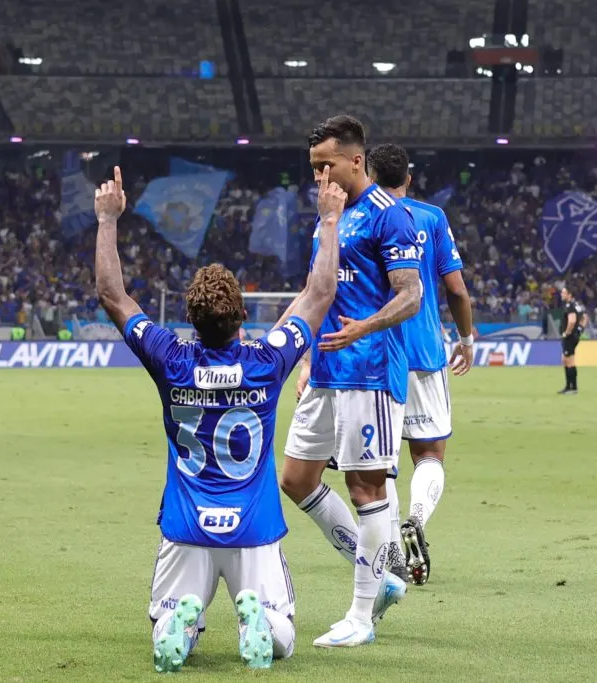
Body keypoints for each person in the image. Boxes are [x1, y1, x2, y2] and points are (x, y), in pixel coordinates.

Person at [94, 165, 344, 672]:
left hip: (186, 526)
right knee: (284, 636)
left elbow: (113, 297)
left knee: (164, 627)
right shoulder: (265, 362)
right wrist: (330, 220)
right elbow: (319, 295)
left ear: (191, 318)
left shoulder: (171, 358)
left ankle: (180, 628)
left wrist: (106, 219)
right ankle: (261, 626)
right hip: (253, 526)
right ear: (240, 318)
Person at [275, 115, 423, 648]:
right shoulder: (328, 217)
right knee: (295, 480)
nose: (318, 177)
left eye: (326, 166)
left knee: (366, 487)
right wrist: (283, 346)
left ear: (355, 160)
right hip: (326, 368)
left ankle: (361, 615)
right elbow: (317, 289)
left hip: (370, 370)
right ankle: (379, 573)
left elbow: (412, 294)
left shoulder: (391, 216)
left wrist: (365, 325)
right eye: (313, 168)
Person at [367, 143, 475, 586]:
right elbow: (456, 289)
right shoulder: (431, 217)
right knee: (429, 454)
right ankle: (416, 518)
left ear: (371, 177)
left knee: (382, 464)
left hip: (376, 355)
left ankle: (391, 543)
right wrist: (466, 338)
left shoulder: (364, 217)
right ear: (409, 178)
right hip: (427, 352)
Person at [559, 287, 586, 394]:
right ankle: (568, 386)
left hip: (569, 337)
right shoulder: (577, 305)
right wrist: (580, 330)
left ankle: (572, 387)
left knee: (569, 360)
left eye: (563, 293)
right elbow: (584, 318)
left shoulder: (570, 306)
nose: (561, 294)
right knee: (565, 360)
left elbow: (572, 321)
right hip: (574, 336)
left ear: (569, 295)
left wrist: (567, 332)